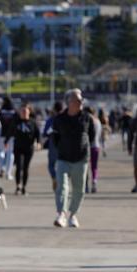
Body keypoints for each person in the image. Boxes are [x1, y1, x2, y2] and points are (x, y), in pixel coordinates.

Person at [51, 89, 96, 228]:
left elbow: (91, 136)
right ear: (69, 102)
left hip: (81, 159)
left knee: (79, 189)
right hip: (63, 158)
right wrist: (62, 148)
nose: (81, 101)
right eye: (77, 99)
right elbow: (55, 137)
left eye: (81, 99)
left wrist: (84, 149)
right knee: (62, 187)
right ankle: (61, 214)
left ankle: (73, 215)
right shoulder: (59, 119)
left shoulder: (87, 117)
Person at [8, 101, 40, 195]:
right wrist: (6, 141)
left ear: (29, 112)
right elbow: (10, 131)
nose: (24, 112)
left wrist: (38, 143)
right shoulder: (16, 122)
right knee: (19, 166)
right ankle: (18, 186)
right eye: (22, 111)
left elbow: (37, 134)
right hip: (18, 147)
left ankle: (24, 187)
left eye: (26, 111)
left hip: (29, 148)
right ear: (19, 112)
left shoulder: (32, 122)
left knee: (26, 168)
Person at [0, 96, 17, 180]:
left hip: (1, 134)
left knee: (1, 152)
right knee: (10, 153)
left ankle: (2, 168)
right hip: (11, 135)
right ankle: (8, 173)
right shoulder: (14, 112)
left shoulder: (0, 112)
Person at [86, 107, 102, 194]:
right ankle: (94, 183)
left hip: (87, 146)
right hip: (96, 146)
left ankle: (86, 186)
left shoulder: (88, 120)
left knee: (85, 166)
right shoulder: (98, 121)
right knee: (94, 167)